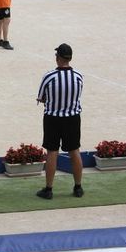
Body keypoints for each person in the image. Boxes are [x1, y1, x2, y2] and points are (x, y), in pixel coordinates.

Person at [36, 43, 84, 200]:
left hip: (53, 118)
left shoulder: (49, 76)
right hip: (72, 118)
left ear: (58, 58)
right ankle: (78, 187)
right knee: (74, 151)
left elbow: (41, 98)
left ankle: (49, 189)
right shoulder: (78, 76)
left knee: (52, 152)